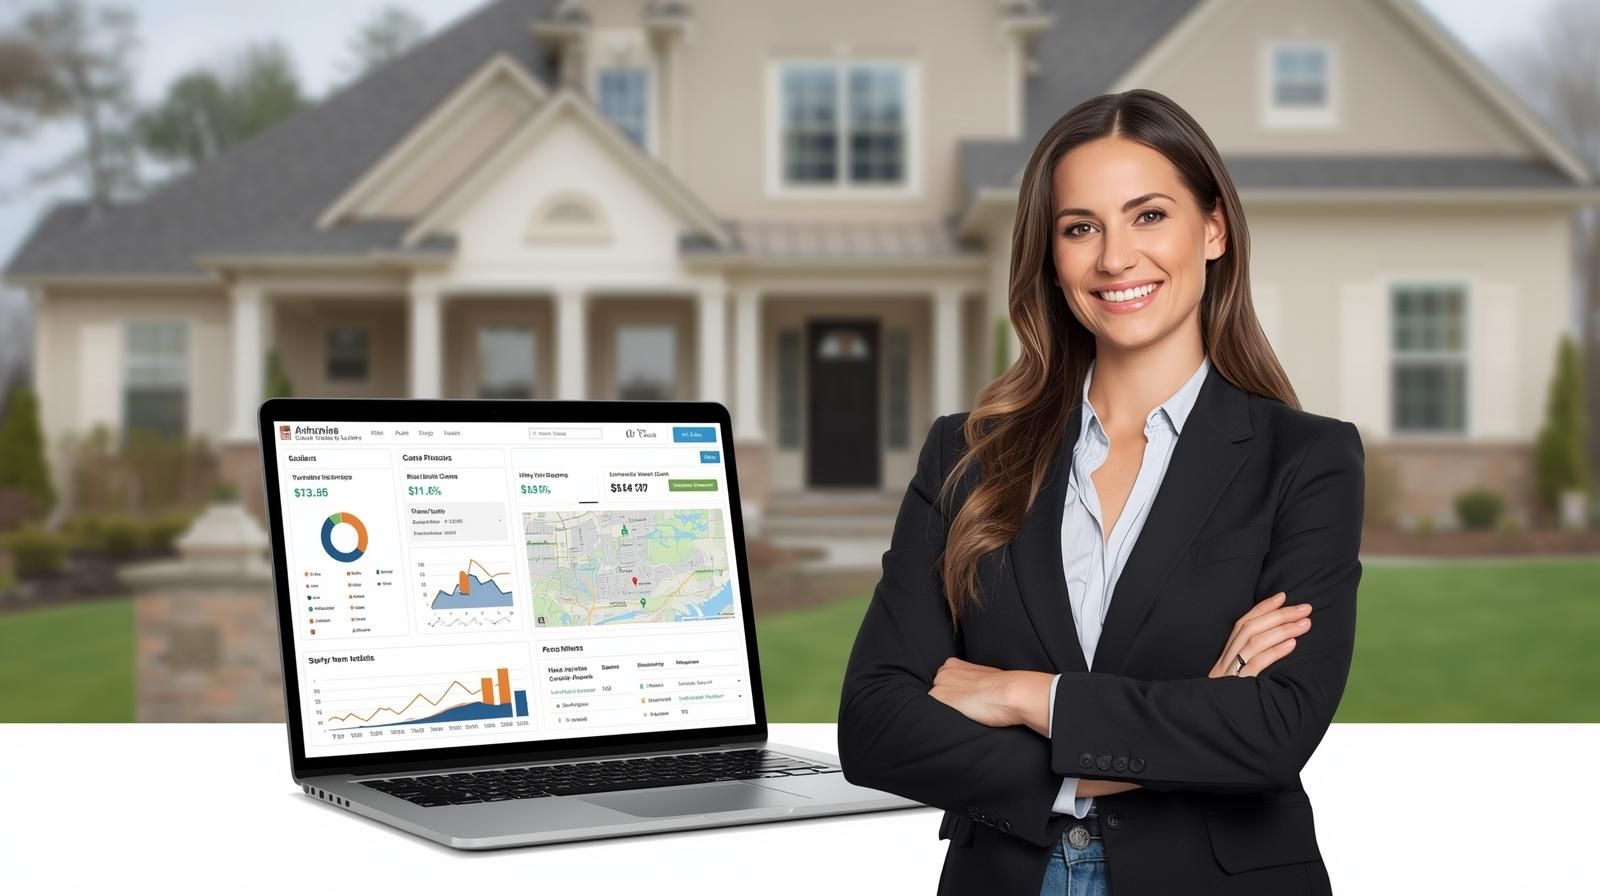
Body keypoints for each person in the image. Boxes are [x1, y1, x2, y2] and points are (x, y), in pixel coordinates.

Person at [837, 89, 1362, 896]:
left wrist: (1019, 695)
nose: (1115, 258)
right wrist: (1169, 734)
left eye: (1149, 216)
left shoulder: (1306, 459)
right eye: (1081, 228)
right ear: (1051, 256)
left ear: (1213, 229)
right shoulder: (965, 454)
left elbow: (1272, 730)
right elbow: (875, 725)